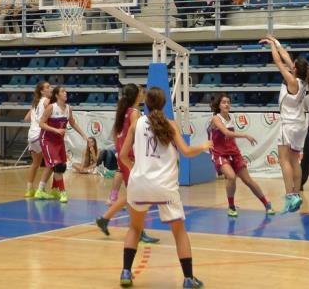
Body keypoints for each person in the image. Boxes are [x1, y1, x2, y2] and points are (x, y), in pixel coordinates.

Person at [117, 87, 211, 288]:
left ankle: (125, 272)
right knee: (179, 232)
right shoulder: (170, 124)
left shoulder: (137, 123)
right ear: (163, 104)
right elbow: (185, 152)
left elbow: (122, 156)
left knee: (134, 228)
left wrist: (137, 169)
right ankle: (188, 278)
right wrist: (202, 147)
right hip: (164, 186)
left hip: (139, 184)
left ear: (146, 104)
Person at [95, 84, 160, 244]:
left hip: (124, 156)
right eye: (141, 92)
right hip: (131, 158)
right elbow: (137, 136)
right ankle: (139, 230)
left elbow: (117, 135)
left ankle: (105, 219)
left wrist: (120, 151)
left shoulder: (123, 111)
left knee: (133, 194)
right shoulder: (135, 113)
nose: (143, 94)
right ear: (136, 96)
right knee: (139, 195)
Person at [258, 36, 308, 214]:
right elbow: (286, 57)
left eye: (293, 65)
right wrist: (277, 43)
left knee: (284, 160)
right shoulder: (303, 79)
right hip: (300, 124)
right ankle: (297, 193)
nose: (290, 64)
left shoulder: (292, 81)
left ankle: (290, 196)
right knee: (295, 160)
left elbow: (278, 60)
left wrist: (272, 46)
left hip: (289, 123)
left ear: (295, 69)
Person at [208, 93, 275, 217]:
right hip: (219, 154)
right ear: (219, 105)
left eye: (228, 102)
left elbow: (230, 138)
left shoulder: (231, 117)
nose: (227, 104)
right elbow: (226, 133)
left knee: (248, 180)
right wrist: (245, 135)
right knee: (231, 176)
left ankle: (267, 204)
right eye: (224, 102)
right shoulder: (216, 118)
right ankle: (231, 206)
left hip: (233, 153)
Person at [39, 86, 88, 204]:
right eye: (63, 91)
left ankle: (46, 190)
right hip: (47, 140)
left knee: (60, 166)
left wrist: (84, 135)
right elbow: (41, 123)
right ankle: (62, 192)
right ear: (57, 95)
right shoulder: (51, 107)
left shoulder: (68, 109)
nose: (66, 93)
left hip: (58, 141)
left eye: (66, 91)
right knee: (58, 166)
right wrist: (55, 130)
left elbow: (73, 123)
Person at [23, 81, 55, 199]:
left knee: (35, 164)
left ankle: (29, 189)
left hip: (31, 136)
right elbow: (53, 115)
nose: (50, 89)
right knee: (52, 163)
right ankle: (41, 189)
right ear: (42, 91)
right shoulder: (47, 101)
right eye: (47, 87)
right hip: (40, 134)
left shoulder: (35, 103)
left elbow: (26, 118)